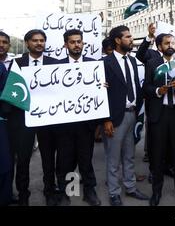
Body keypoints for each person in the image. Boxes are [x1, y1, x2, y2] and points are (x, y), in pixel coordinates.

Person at [6, 29, 59, 206]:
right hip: (23, 119)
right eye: (35, 40)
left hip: (48, 119)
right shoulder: (16, 63)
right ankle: (23, 194)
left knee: (48, 158)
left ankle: (50, 191)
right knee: (22, 159)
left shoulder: (55, 64)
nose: (39, 43)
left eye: (42, 40)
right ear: (27, 43)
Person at [102, 26, 149, 206]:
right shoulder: (105, 63)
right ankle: (114, 193)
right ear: (117, 40)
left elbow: (135, 85)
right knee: (113, 159)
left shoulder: (131, 61)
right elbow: (101, 95)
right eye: (128, 37)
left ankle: (130, 187)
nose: (131, 40)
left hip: (132, 115)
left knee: (129, 155)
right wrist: (105, 120)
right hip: (114, 118)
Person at [143, 33, 175, 206]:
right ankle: (156, 192)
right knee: (157, 154)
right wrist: (157, 91)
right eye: (166, 43)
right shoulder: (152, 64)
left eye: (172, 42)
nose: (170, 45)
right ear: (159, 47)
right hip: (159, 113)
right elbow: (145, 87)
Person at [56, 29, 101, 206]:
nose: (76, 45)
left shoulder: (94, 65)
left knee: (85, 159)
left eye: (79, 41)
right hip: (65, 124)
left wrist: (102, 86)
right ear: (66, 45)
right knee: (66, 160)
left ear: (83, 43)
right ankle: (68, 192)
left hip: (86, 124)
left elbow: (100, 94)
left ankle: (89, 192)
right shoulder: (56, 67)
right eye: (72, 42)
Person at [0, 62, 13, 206]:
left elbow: (6, 92)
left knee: (4, 160)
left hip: (1, 121)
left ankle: (5, 197)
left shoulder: (1, 68)